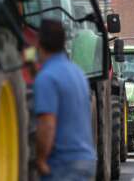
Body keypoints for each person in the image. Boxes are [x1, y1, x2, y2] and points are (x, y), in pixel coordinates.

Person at [34, 19, 96, 181]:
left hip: (62, 164)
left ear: (39, 43)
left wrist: (40, 160)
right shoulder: (78, 73)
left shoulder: (46, 78)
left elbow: (47, 123)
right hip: (86, 161)